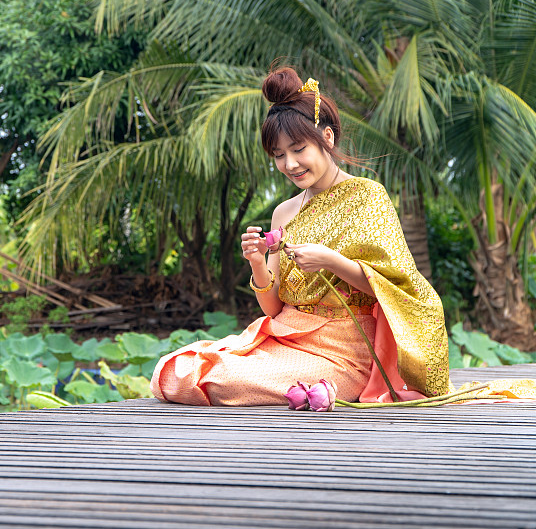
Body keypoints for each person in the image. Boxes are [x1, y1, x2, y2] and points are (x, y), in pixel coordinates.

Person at [150, 66, 450, 406]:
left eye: (298, 149)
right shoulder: (284, 212)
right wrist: (257, 263)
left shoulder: (367, 196)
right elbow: (274, 308)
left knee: (215, 380)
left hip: (344, 353)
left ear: (327, 138)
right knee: (174, 371)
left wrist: (331, 261)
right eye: (279, 155)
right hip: (286, 336)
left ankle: (320, 390)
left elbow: (397, 291)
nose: (290, 164)